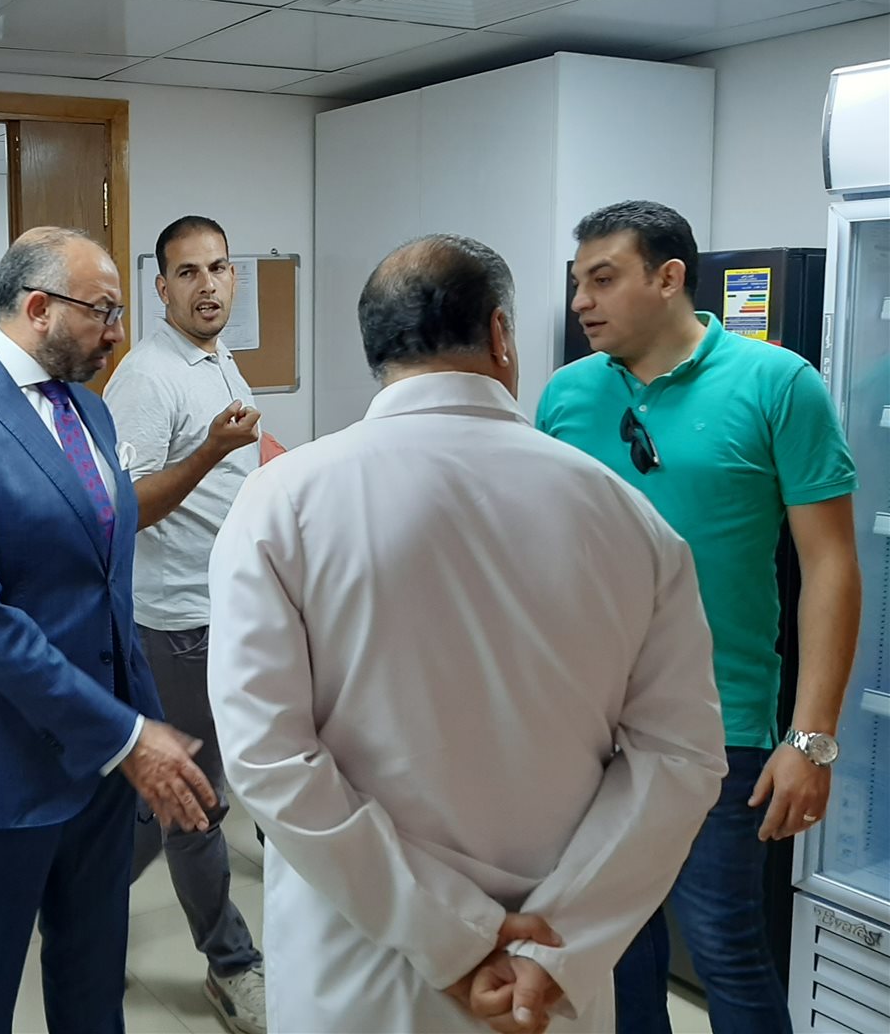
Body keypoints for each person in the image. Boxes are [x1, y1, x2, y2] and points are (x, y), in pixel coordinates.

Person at [208, 234, 728, 1034]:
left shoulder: (281, 504)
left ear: (375, 351)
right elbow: (681, 757)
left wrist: (447, 938)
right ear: (500, 334)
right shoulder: (628, 518)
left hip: (360, 970)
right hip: (545, 982)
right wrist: (556, 948)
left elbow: (267, 759)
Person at [538, 200, 861, 1034]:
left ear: (669, 278)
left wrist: (811, 739)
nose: (581, 302)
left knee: (724, 944)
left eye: (602, 279)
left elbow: (830, 566)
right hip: (588, 725)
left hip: (724, 725)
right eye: (577, 284)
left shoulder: (777, 383)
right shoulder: (567, 395)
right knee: (614, 947)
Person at [0, 226, 217, 1034]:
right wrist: (127, 735)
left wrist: (142, 730)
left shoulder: (91, 412)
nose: (117, 333)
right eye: (103, 312)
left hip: (99, 769)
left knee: (91, 979)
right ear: (38, 308)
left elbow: (108, 586)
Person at [103, 216, 267, 1034]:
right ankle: (231, 964)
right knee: (197, 797)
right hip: (176, 624)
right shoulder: (147, 375)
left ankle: (82, 890)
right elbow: (123, 507)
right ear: (160, 286)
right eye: (189, 272)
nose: (208, 285)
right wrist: (207, 453)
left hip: (234, 611)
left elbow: (232, 472)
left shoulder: (217, 358)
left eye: (219, 268)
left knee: (173, 789)